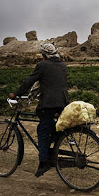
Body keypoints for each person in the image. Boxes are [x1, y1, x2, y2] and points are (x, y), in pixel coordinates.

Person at [9, 43, 69, 177]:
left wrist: (16, 94)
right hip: (63, 102)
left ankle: (44, 162)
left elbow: (29, 81)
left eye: (42, 55)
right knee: (52, 126)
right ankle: (54, 143)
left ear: (44, 55)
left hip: (48, 103)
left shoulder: (43, 65)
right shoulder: (62, 65)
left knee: (42, 130)